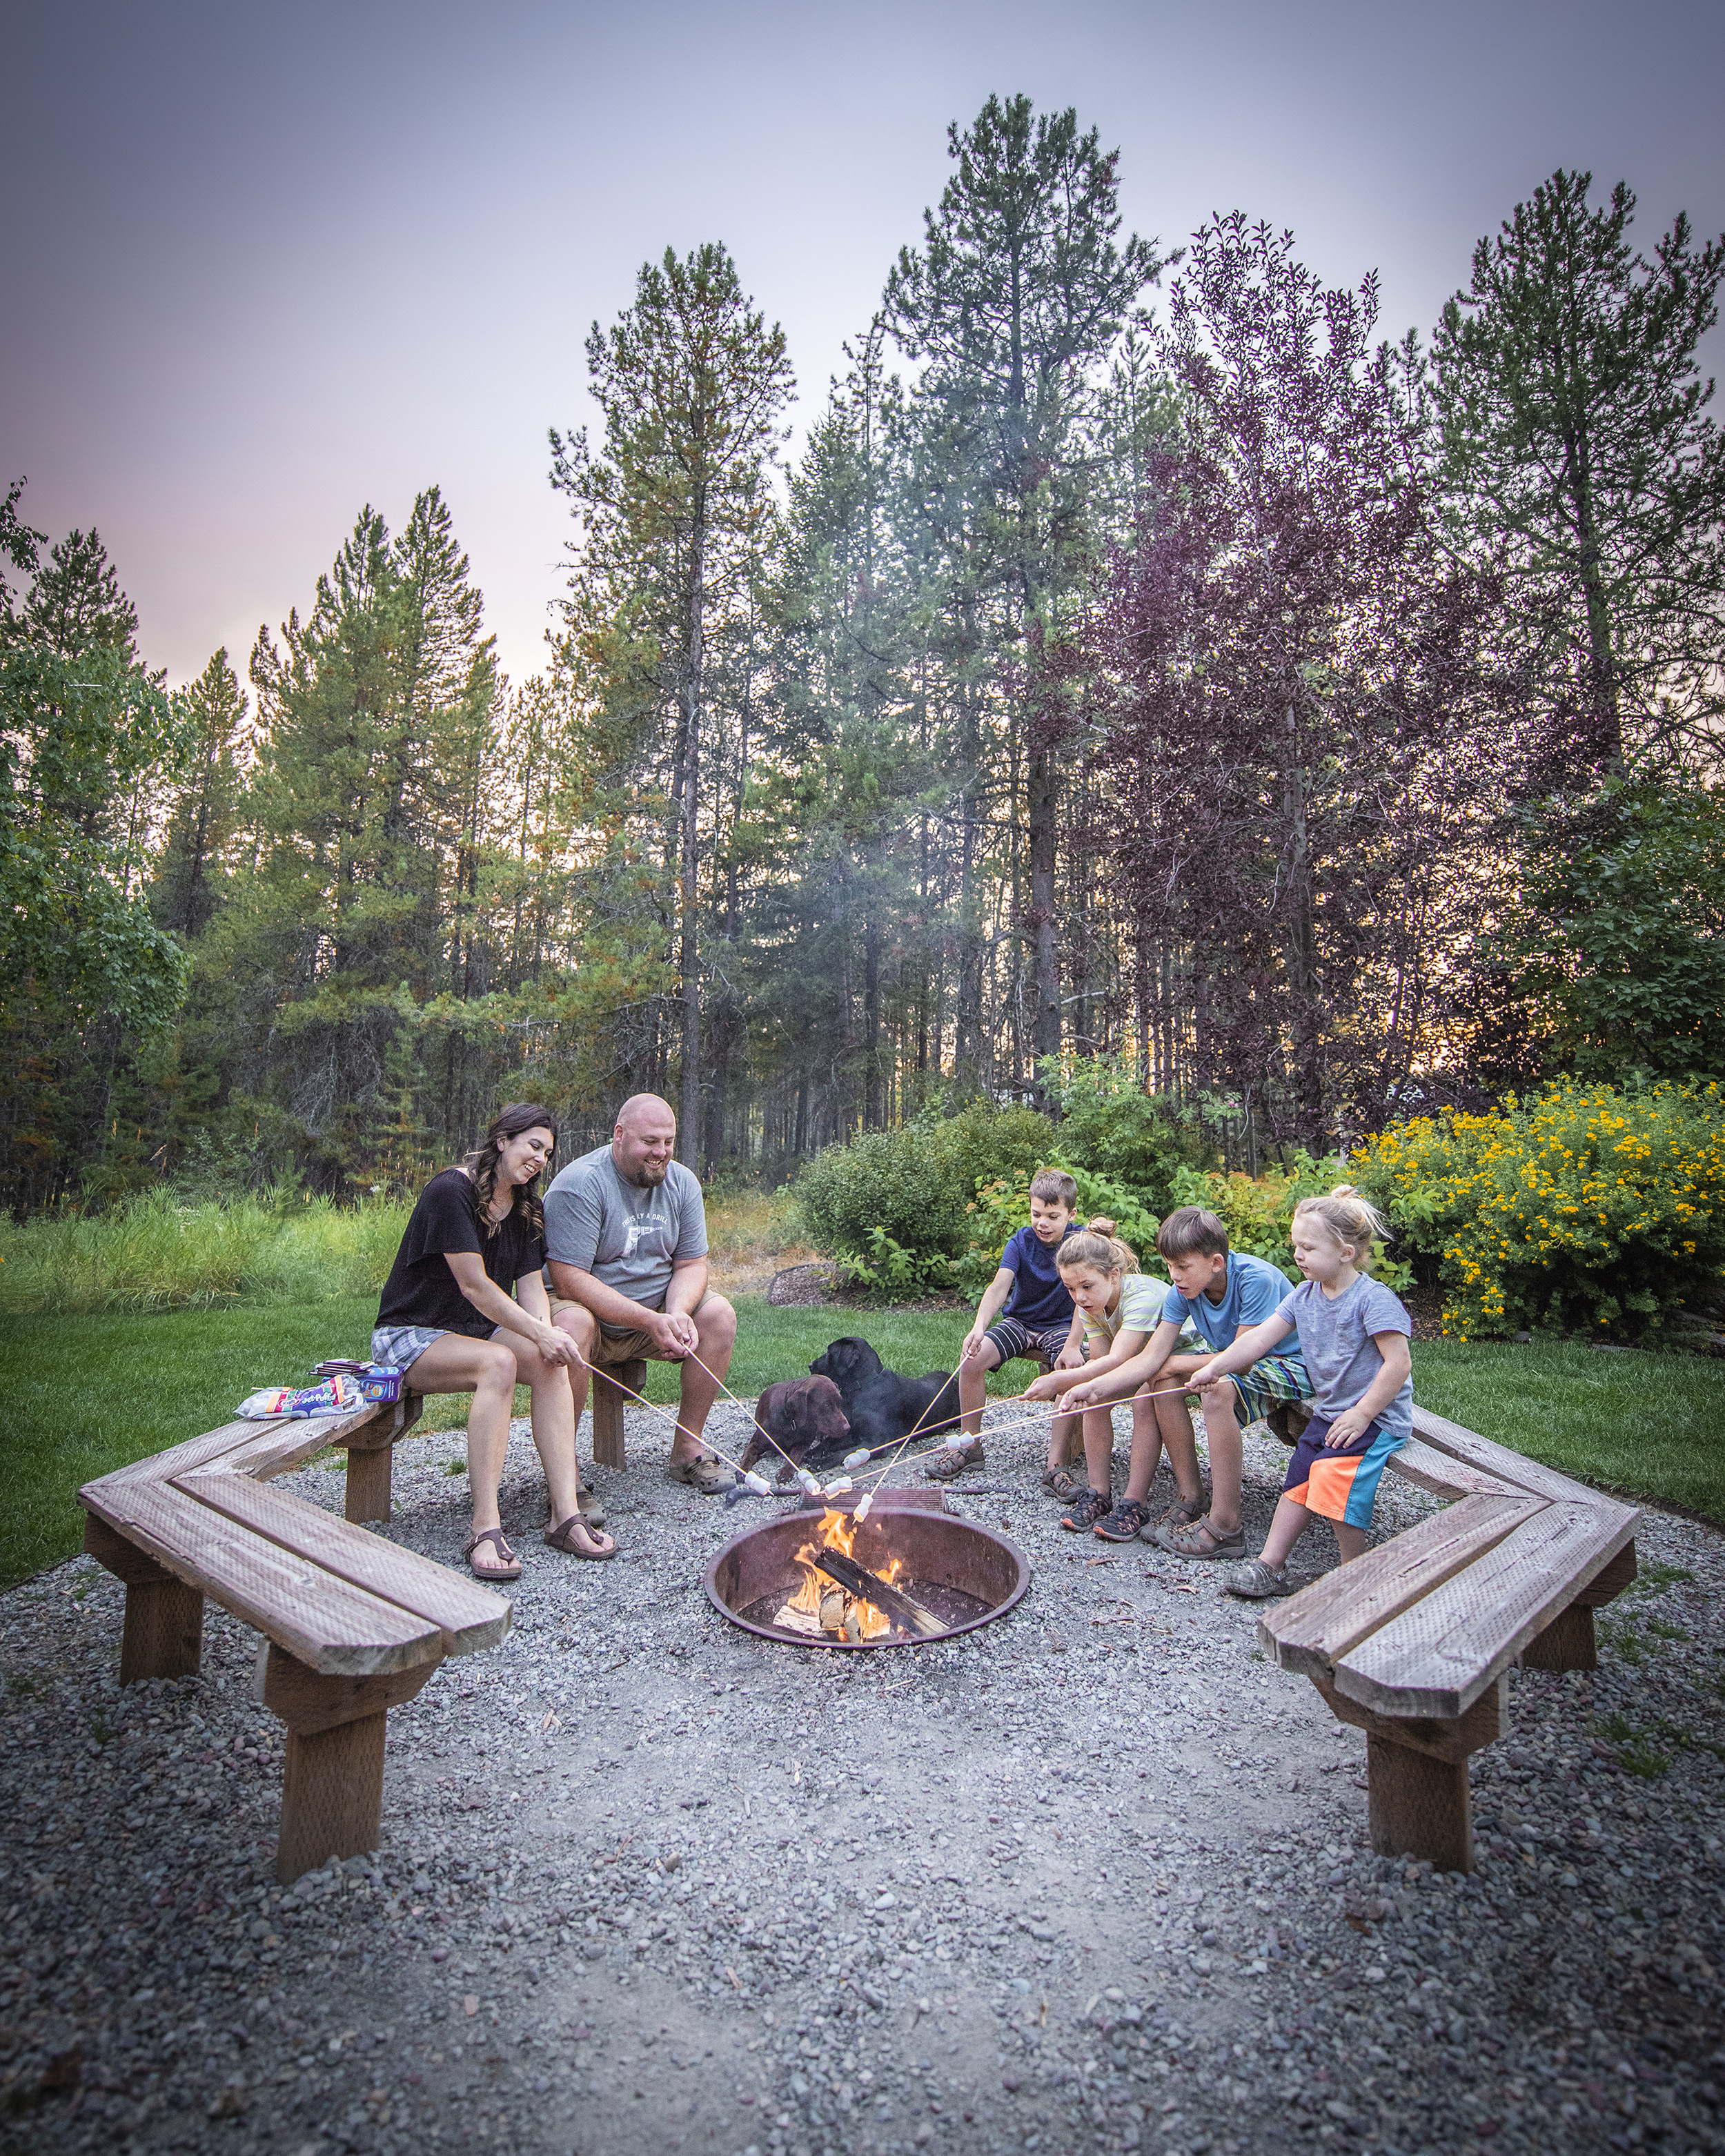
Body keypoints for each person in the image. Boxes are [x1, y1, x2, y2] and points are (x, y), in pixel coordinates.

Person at [373, 1103, 616, 1581]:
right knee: (499, 1363)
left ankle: (565, 1515)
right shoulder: (451, 1192)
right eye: (533, 1145)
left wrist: (548, 1336)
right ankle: (484, 1527)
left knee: (548, 1361)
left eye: (547, 1153)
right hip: (412, 1332)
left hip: (474, 1329)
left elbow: (531, 1288)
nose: (540, 1159)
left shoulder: (526, 1208)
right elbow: (476, 1287)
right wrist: (540, 1331)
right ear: (503, 1140)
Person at [1189, 1187, 1414, 1599]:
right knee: (1299, 1477)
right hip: (1333, 1412)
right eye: (1296, 1246)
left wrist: (1363, 1413)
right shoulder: (1304, 1296)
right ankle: (1270, 1566)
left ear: (1346, 1252)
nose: (1298, 1255)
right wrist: (1215, 1368)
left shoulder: (1373, 1300)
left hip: (1376, 1418)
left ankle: (1354, 1576)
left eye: (1308, 1248)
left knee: (1331, 1478)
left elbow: (1398, 1365)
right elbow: (1258, 1340)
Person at [1057, 1205, 1314, 1560]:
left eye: (1182, 1266)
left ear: (1216, 1263)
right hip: (1241, 1360)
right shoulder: (1182, 1292)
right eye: (1169, 1266)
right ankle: (1191, 1495)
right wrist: (1093, 1387)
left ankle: (1226, 1525)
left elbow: (1243, 1357)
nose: (1174, 1276)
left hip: (1293, 1363)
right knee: (1162, 1378)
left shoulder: (1256, 1279)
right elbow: (1150, 1360)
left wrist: (1173, 1363)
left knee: (1216, 1390)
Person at [544, 1094, 739, 1494]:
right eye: (650, 1141)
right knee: (572, 1325)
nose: (660, 1152)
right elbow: (568, 1279)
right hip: (589, 1316)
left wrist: (677, 1312)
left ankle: (688, 1451)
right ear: (619, 1135)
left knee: (719, 1315)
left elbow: (692, 1264)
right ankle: (565, 1478)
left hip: (655, 1314)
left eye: (668, 1141)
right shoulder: (580, 1185)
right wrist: (649, 1320)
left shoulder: (683, 1182)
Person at [929, 1168, 1086, 1489]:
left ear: (1071, 1214)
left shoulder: (1080, 1242)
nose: (1042, 1223)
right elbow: (1000, 1285)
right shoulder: (1021, 1241)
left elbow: (1087, 1300)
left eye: (1052, 1216)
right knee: (972, 1359)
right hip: (1021, 1323)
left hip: (1061, 1326)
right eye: (1036, 1214)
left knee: (1070, 1370)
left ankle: (1056, 1465)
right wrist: (979, 1327)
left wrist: (1073, 1345)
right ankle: (970, 1447)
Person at [1020, 1220, 1170, 1540]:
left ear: (1114, 1275)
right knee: (1095, 1399)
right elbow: (1101, 1364)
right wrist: (1081, 1386)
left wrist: (1059, 1381)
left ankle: (1135, 1502)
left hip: (1173, 1361)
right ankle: (1099, 1492)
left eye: (1086, 1287)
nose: (1079, 1297)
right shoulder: (1090, 1304)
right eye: (1071, 1289)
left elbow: (1119, 1358)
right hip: (1137, 1363)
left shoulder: (1141, 1296)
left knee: (1143, 1400)